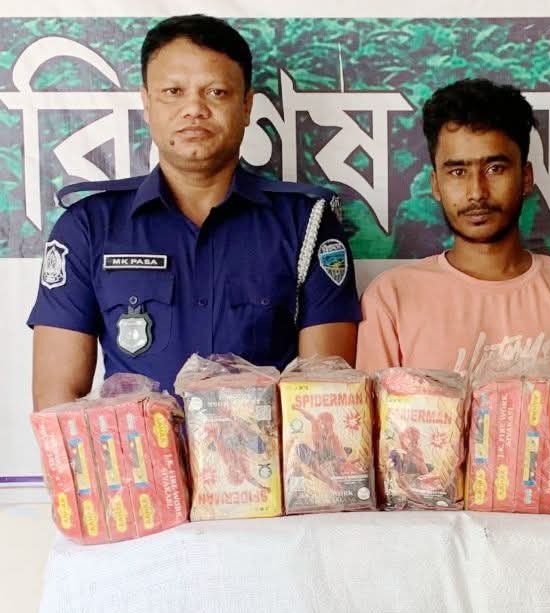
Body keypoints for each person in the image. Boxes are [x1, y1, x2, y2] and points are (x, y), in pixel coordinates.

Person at [28, 14, 360, 407]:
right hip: (136, 449)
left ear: (247, 106)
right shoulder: (89, 226)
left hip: (265, 449)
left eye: (216, 92)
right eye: (173, 91)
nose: (194, 109)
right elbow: (58, 398)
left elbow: (323, 397)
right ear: (146, 103)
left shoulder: (307, 224)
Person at [356, 78, 550, 380]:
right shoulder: (391, 299)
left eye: (495, 169)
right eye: (458, 171)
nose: (477, 192)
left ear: (526, 177)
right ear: (435, 184)